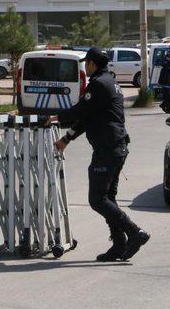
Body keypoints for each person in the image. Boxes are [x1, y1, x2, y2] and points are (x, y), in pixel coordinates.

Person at [49, 47, 150, 262]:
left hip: (108, 149)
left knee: (97, 199)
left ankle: (134, 232)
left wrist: (57, 116)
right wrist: (66, 139)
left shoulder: (98, 84)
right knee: (108, 198)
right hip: (116, 147)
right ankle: (119, 244)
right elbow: (88, 119)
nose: (85, 68)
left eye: (87, 64)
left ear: (93, 64)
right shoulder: (110, 82)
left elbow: (80, 111)